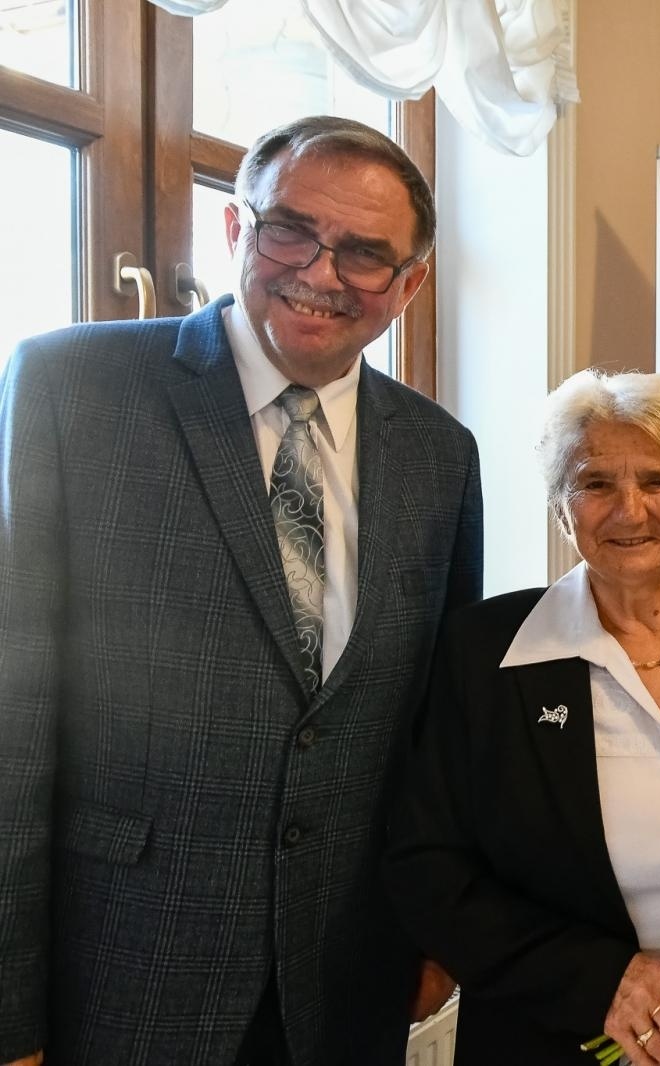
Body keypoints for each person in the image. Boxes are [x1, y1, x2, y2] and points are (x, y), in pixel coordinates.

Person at [0, 116, 483, 1066]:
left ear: (410, 283)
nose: (319, 271)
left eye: (366, 253)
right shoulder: (73, 388)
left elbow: (440, 727)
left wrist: (437, 929)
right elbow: (11, 721)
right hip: (122, 975)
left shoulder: (442, 456)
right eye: (290, 230)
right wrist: (9, 1014)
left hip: (349, 980)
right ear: (235, 230)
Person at [385, 369, 660, 1065]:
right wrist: (596, 979)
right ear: (561, 507)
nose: (630, 510)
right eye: (596, 484)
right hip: (557, 1042)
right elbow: (428, 868)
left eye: (657, 480)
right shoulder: (486, 655)